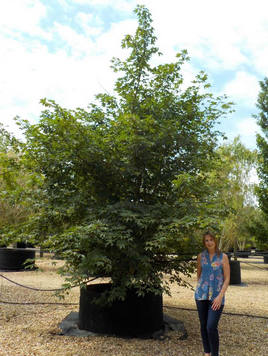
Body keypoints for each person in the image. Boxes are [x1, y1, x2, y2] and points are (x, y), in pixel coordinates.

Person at [194, 231, 230, 356]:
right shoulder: (200, 256)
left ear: (215, 240)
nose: (209, 242)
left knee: (211, 327)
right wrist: (200, 288)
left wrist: (220, 296)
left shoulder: (223, 257)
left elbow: (227, 279)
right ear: (204, 243)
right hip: (201, 296)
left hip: (216, 297)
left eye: (211, 240)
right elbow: (199, 275)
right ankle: (207, 352)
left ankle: (215, 354)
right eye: (206, 240)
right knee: (203, 325)